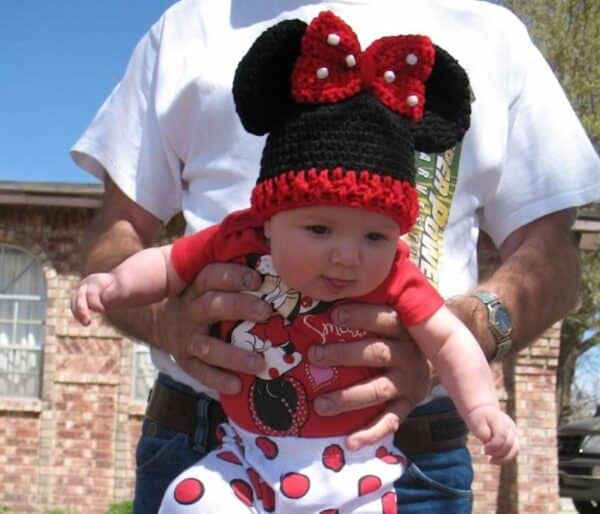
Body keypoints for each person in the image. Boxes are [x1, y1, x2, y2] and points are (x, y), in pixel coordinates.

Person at [70, 1, 600, 513]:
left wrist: (460, 345)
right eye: (320, 228)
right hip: (213, 444)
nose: (347, 255)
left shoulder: (492, 32)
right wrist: (152, 313)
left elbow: (551, 256)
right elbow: (125, 241)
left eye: (373, 236)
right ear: (267, 218)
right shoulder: (189, 24)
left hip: (397, 456)